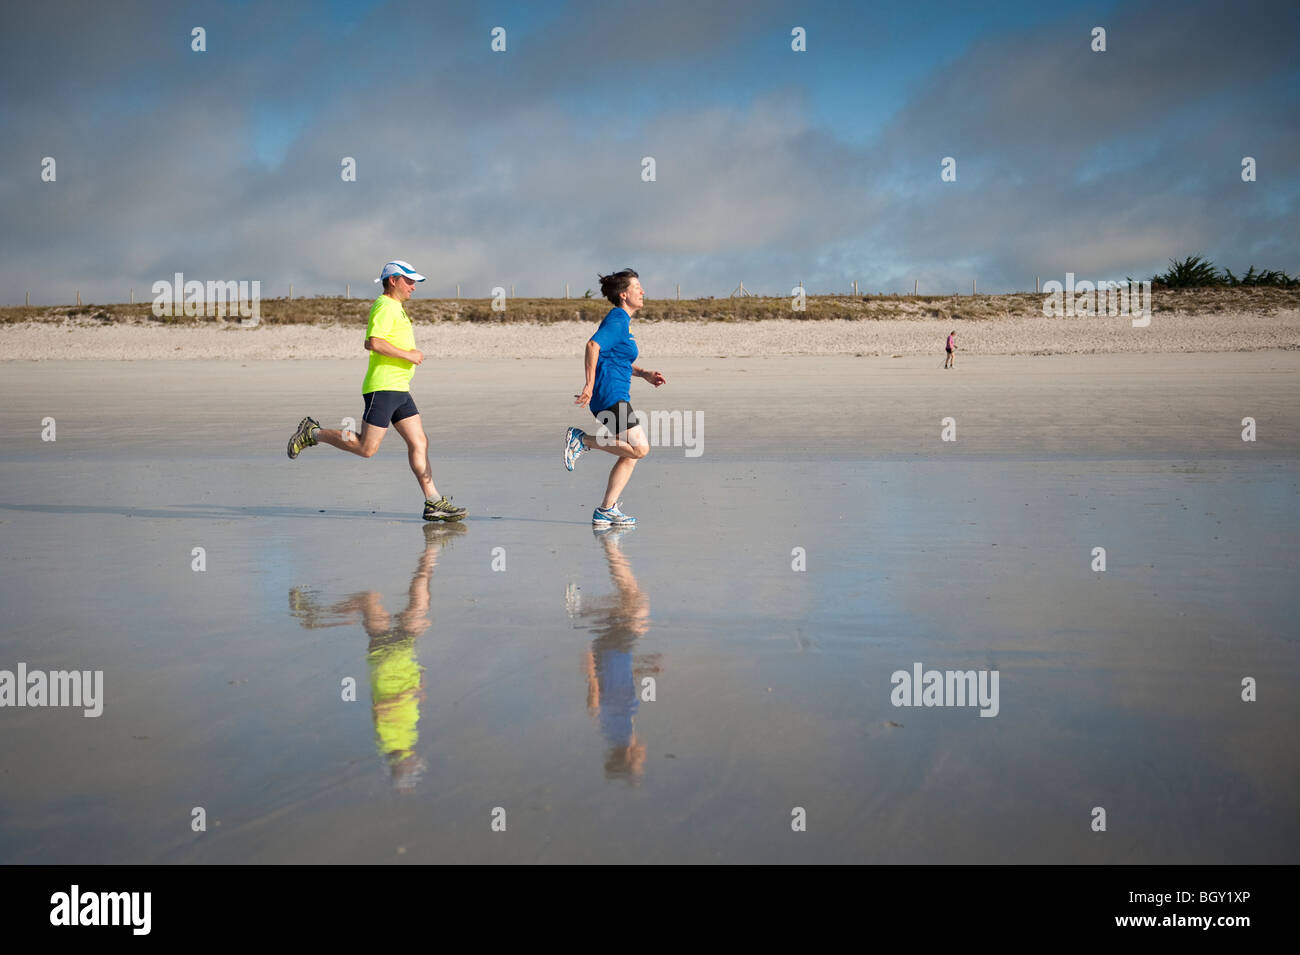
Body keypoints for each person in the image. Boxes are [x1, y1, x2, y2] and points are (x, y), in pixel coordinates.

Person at [286, 260, 466, 522]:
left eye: (414, 281)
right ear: (393, 280)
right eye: (409, 280)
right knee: (366, 448)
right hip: (382, 387)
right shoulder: (384, 305)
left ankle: (433, 501)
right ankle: (313, 432)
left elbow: (370, 339)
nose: (413, 287)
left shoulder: (396, 308)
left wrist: (405, 358)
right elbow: (374, 342)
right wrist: (409, 355)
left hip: (400, 388)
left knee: (419, 442)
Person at [563, 269, 666, 526]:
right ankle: (582, 439)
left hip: (614, 393)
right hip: (609, 394)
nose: (642, 292)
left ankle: (606, 510)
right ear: (624, 294)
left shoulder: (622, 323)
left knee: (630, 454)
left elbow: (615, 358)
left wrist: (644, 373)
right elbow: (592, 346)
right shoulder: (618, 319)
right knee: (641, 448)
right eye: (637, 287)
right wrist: (589, 384)